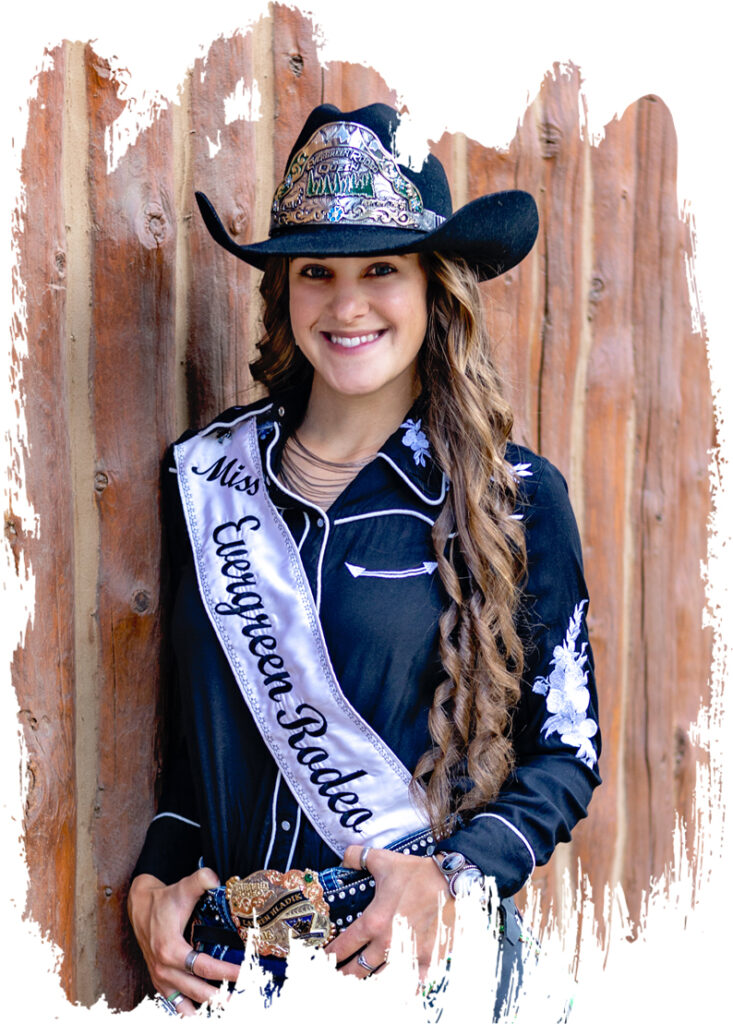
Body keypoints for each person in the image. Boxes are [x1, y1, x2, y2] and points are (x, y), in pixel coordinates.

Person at [127, 102, 601, 1018]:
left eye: (380, 268)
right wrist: (157, 884)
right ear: (284, 291)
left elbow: (565, 753)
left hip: (419, 974)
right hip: (234, 977)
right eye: (317, 272)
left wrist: (452, 880)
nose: (346, 305)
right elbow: (197, 763)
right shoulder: (207, 479)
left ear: (434, 287)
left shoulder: (517, 498)